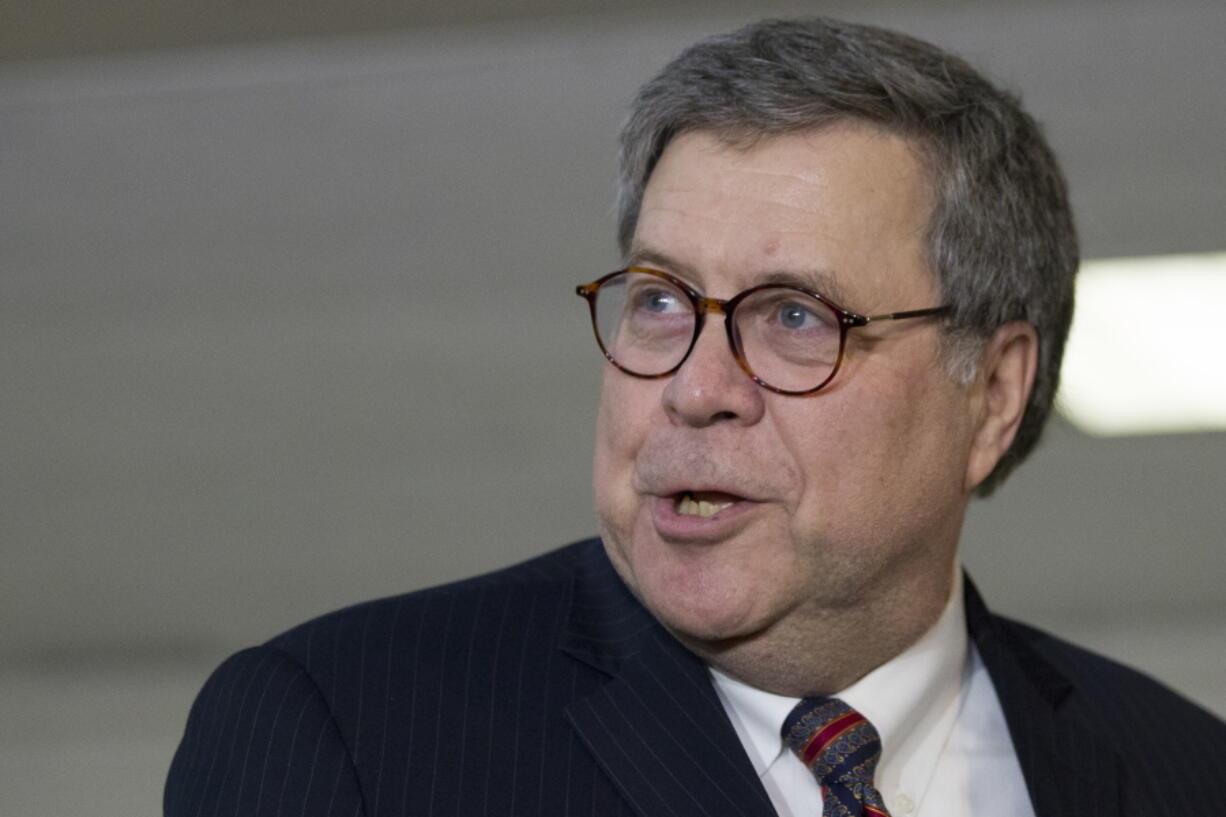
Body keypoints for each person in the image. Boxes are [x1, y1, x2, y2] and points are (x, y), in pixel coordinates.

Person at [165, 17, 1226, 816]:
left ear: (990, 394)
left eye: (795, 317)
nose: (693, 385)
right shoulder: (345, 731)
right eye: (661, 300)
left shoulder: (1182, 773)